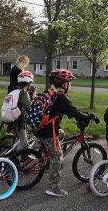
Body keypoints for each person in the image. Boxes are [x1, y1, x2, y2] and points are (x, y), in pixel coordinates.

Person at [34, 69, 94, 197]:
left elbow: (70, 111)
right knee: (58, 156)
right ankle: (53, 187)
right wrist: (87, 117)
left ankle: (45, 156)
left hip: (40, 129)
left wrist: (82, 115)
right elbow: (73, 112)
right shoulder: (61, 97)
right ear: (64, 83)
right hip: (47, 132)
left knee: (61, 133)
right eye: (69, 82)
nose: (70, 85)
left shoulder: (51, 93)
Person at [10, 71, 34, 152]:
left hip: (12, 118)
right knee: (23, 143)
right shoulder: (24, 93)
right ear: (29, 83)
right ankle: (15, 161)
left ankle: (14, 155)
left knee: (19, 139)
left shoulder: (15, 91)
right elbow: (28, 107)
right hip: (20, 121)